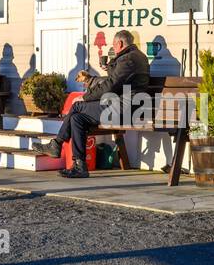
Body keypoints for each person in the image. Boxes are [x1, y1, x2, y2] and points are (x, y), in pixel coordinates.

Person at [37, 29, 149, 178]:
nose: (113, 48)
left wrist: (86, 97)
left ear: (120, 43)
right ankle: (79, 165)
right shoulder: (135, 57)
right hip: (126, 106)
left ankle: (57, 144)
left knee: (77, 106)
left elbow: (111, 85)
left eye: (114, 45)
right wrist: (110, 66)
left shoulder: (128, 59)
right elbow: (118, 81)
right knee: (77, 119)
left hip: (125, 109)